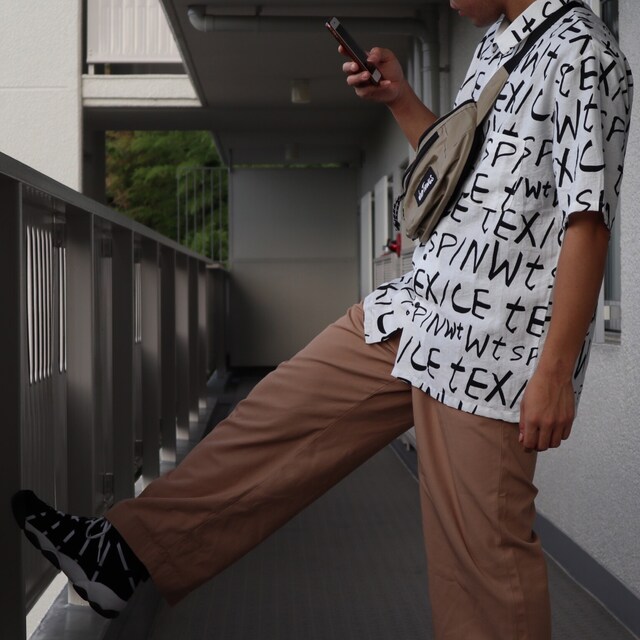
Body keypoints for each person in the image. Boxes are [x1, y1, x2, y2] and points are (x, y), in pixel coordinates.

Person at [12, 0, 633, 637]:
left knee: (479, 562)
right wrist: (400, 100)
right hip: (419, 309)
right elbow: (462, 176)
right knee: (275, 417)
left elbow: (588, 222)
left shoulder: (585, 51)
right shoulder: (500, 43)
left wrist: (554, 373)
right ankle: (123, 553)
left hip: (492, 349)